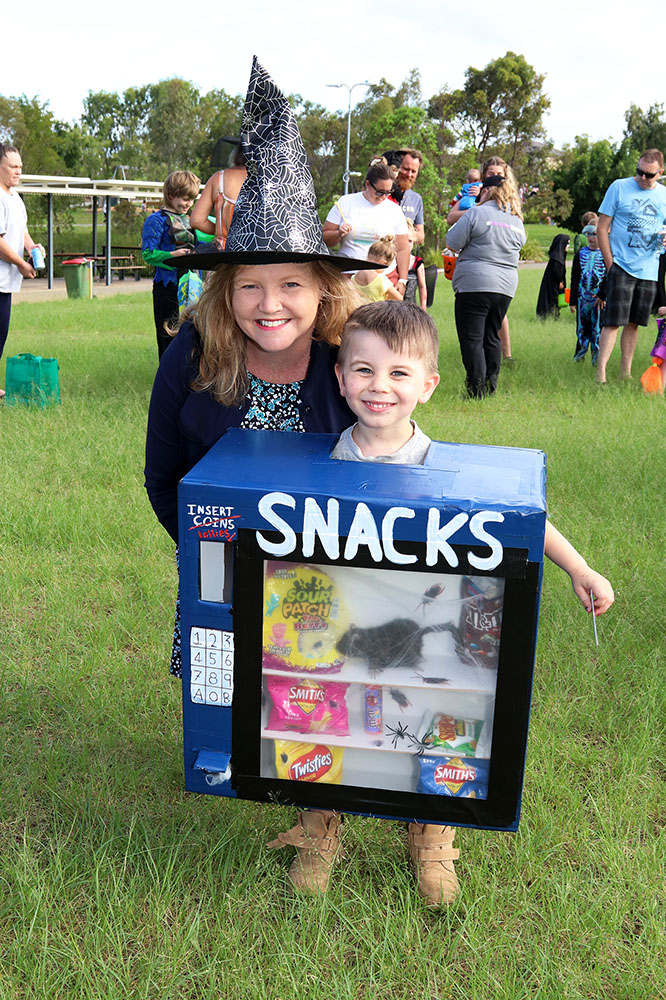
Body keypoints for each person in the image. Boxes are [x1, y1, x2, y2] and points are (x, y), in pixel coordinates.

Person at [145, 57, 379, 897]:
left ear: (322, 290)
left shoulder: (348, 362)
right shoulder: (192, 354)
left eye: (290, 284)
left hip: (329, 565)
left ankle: (328, 817)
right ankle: (277, 775)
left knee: (324, 683)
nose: (269, 303)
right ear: (225, 289)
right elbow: (164, 472)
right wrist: (219, 563)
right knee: (242, 692)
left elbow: (393, 461)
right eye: (250, 285)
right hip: (226, 567)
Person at [327, 299, 614, 905]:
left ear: (428, 385)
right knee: (333, 717)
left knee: (438, 720)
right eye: (363, 370)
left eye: (399, 374)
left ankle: (432, 830)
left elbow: (519, 520)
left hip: (429, 639)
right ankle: (318, 821)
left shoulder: (448, 471)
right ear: (340, 376)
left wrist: (578, 567)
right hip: (351, 635)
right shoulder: (317, 464)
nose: (379, 387)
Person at [446, 175, 525, 398]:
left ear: (487, 191)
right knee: (492, 335)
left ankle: (475, 390)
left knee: (472, 338)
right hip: (505, 287)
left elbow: (452, 241)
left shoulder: (477, 213)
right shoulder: (517, 221)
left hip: (475, 283)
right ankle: (490, 387)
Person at [595, 149, 666, 384]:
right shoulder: (619, 187)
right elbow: (602, 227)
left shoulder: (664, 195)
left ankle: (625, 372)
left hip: (649, 269)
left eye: (649, 175)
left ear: (660, 173)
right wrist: (610, 263)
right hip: (622, 265)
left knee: (634, 323)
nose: (643, 178)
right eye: (639, 172)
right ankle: (601, 375)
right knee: (613, 321)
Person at [447, 156, 516, 362]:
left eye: (499, 175)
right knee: (480, 330)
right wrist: (477, 206)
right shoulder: (473, 193)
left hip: (496, 267)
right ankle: (487, 375)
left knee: (490, 325)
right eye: (491, 174)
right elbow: (451, 217)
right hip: (477, 265)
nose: (495, 179)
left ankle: (506, 355)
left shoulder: (510, 203)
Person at [323, 160, 410, 292]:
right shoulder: (346, 202)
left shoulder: (394, 210)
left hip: (383, 279)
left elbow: (403, 248)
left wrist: (402, 280)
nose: (383, 197)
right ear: (368, 184)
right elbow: (325, 238)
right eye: (380, 192)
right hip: (350, 276)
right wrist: (338, 234)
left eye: (388, 192)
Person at [141, 170, 200, 359]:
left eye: (192, 199)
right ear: (171, 196)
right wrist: (172, 255)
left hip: (191, 287)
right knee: (167, 334)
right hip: (167, 287)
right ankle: (167, 375)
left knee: (192, 332)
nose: (189, 204)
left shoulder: (191, 221)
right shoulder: (155, 220)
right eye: (185, 199)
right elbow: (148, 254)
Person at [0, 143, 44, 396]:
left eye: (20, 167)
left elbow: (22, 232)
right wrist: (20, 263)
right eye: (12, 167)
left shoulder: (15, 198)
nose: (18, 171)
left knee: (0, 334)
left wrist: (32, 248)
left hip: (6, 281)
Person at [189, 143, 247, 249]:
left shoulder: (219, 178)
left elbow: (196, 220)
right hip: (258, 253)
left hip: (224, 253)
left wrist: (222, 229)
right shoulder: (270, 181)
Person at [569, 224, 607, 364]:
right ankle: (579, 356)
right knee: (582, 329)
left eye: (595, 234)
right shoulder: (580, 254)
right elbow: (575, 278)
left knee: (598, 329)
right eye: (589, 234)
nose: (591, 238)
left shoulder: (606, 254)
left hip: (599, 299)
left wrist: (604, 295)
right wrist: (572, 300)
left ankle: (597, 359)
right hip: (582, 299)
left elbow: (608, 277)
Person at [389, 149, 425, 244]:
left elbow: (421, 236)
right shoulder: (382, 193)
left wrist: (410, 235)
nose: (409, 175)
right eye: (406, 169)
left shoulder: (416, 199)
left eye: (413, 171)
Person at [352, 236, 403, 302]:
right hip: (377, 311)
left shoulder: (354, 277)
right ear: (383, 263)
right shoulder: (382, 280)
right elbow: (400, 299)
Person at [536, 234, 570, 319]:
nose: (568, 246)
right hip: (554, 284)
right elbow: (557, 272)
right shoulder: (557, 259)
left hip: (552, 283)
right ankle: (551, 316)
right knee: (553, 299)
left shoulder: (556, 257)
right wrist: (560, 281)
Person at [404, 218, 427, 309]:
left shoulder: (417, 262)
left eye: (410, 241)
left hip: (411, 306)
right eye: (404, 241)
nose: (407, 244)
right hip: (394, 306)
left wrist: (423, 306)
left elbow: (422, 287)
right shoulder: (393, 262)